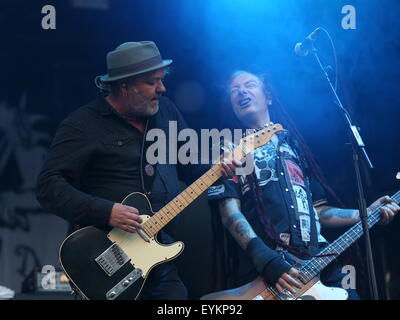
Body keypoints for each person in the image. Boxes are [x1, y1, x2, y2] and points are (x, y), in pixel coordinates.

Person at [36, 41, 234, 300]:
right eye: (152, 82)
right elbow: (48, 186)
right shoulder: (82, 124)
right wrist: (106, 211)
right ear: (124, 86)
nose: (162, 89)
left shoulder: (166, 113)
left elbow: (191, 164)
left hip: (155, 249)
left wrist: (219, 166)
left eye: (162, 80)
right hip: (105, 255)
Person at [207, 70, 399, 300]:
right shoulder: (227, 149)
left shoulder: (294, 145)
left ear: (268, 97)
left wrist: (365, 214)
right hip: (271, 268)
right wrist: (266, 260)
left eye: (249, 85)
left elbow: (319, 210)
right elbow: (229, 213)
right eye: (234, 90)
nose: (241, 91)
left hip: (319, 260)